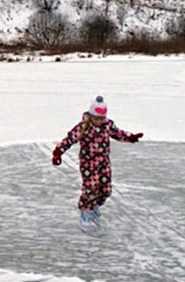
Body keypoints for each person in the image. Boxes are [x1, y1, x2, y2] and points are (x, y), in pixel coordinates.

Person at [52, 95, 141, 224]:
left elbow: (118, 133)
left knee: (106, 189)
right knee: (91, 188)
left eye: (102, 118)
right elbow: (69, 139)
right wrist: (58, 152)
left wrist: (131, 137)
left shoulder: (107, 125)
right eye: (97, 118)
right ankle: (86, 211)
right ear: (91, 115)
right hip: (88, 164)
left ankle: (95, 205)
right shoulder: (83, 127)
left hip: (104, 163)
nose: (100, 120)